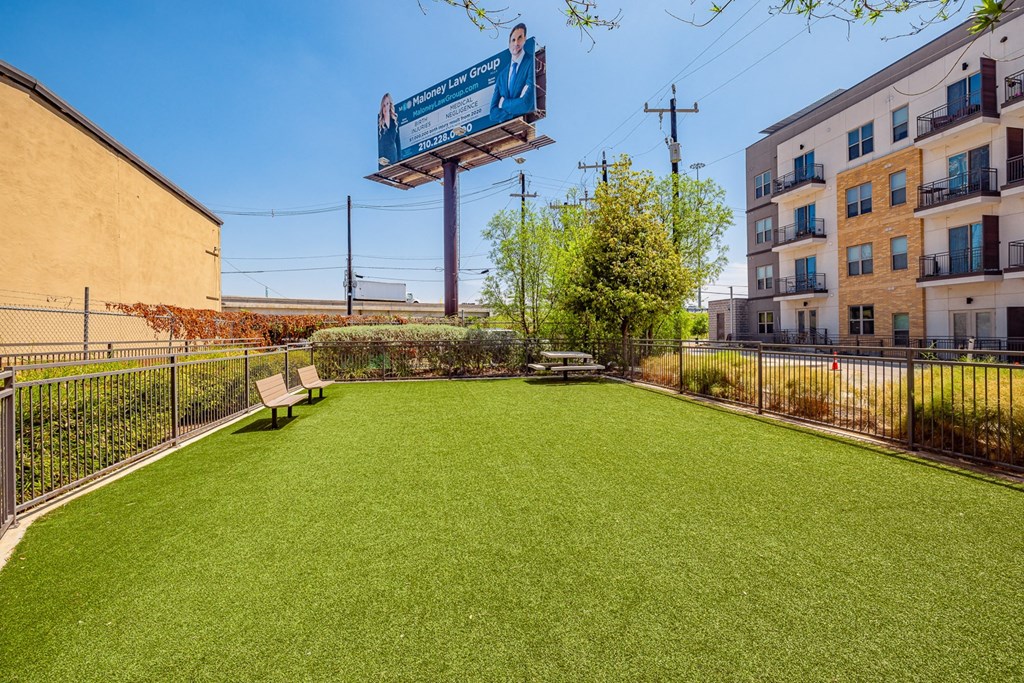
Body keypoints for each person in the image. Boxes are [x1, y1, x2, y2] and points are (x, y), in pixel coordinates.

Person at [489, 23, 535, 123]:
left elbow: (527, 103)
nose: (516, 43)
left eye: (520, 38)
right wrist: (515, 110)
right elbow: (493, 113)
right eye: (513, 40)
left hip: (524, 122)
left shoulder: (531, 62)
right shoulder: (501, 76)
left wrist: (503, 104)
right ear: (509, 44)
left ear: (525, 39)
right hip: (508, 126)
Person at [377, 93, 400, 167]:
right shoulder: (380, 123)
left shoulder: (395, 121)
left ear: (390, 105)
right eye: (384, 105)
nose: (385, 107)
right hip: (383, 158)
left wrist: (400, 160)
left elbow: (398, 142)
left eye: (387, 104)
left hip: (393, 156)